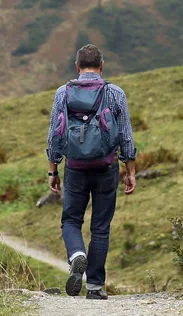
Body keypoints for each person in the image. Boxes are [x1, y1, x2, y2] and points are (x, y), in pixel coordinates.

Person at [46, 44, 137, 300]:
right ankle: (95, 286)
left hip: (74, 167)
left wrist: (53, 170)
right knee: (100, 227)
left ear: (77, 67)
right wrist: (130, 170)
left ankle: (77, 255)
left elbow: (54, 134)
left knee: (71, 220)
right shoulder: (115, 93)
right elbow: (126, 135)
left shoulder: (62, 93)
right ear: (102, 65)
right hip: (106, 167)